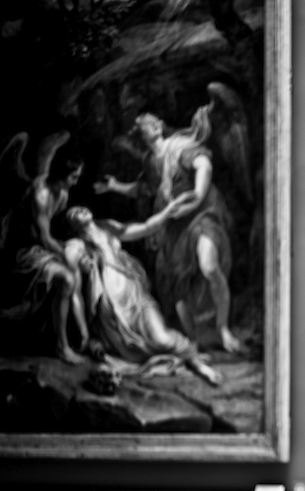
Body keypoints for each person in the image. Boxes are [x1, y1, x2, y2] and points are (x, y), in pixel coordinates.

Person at [94, 105, 242, 353]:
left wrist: (197, 196)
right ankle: (193, 339)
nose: (149, 127)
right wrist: (115, 186)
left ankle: (223, 328)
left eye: (151, 122)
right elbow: (144, 189)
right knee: (177, 285)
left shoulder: (179, 145)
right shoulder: (151, 161)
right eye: (143, 127)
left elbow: (204, 165)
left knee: (209, 265)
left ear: (159, 125)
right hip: (175, 225)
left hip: (201, 213)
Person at [62, 198, 222, 385]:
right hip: (114, 313)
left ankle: (197, 363)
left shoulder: (108, 228)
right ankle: (195, 362)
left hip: (136, 294)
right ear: (72, 226)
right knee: (138, 350)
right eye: (73, 213)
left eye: (80, 207)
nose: (79, 209)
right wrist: (84, 334)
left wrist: (167, 211)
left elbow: (146, 228)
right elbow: (74, 293)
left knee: (163, 339)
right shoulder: (76, 246)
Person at [0, 143, 91, 365]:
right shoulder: (41, 194)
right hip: (24, 249)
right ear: (62, 173)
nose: (76, 182)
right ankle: (62, 347)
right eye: (74, 177)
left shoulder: (62, 193)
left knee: (76, 266)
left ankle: (82, 335)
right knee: (67, 278)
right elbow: (44, 238)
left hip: (42, 246)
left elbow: (54, 233)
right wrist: (68, 257)